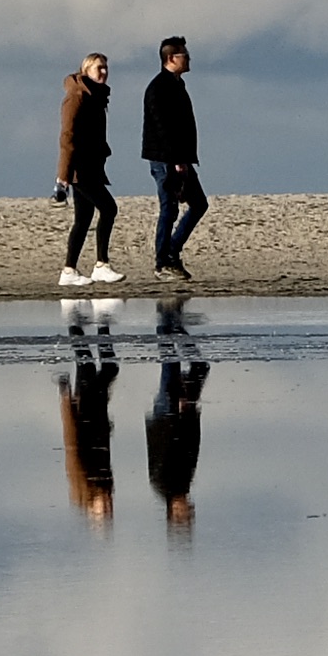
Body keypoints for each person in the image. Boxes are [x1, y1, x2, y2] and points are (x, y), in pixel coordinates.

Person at [143, 34, 210, 284]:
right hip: (165, 159)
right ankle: (162, 262)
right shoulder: (159, 87)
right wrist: (176, 161)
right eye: (185, 54)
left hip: (180, 158)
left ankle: (172, 251)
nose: (189, 58)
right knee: (169, 208)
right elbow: (162, 128)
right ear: (171, 58)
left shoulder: (176, 84)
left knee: (198, 204)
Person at [53, 52, 119, 290]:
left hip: (92, 166)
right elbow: (67, 137)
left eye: (105, 68)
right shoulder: (77, 96)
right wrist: (63, 176)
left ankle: (69, 270)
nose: (103, 72)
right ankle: (101, 264)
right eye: (98, 68)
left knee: (83, 219)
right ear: (86, 70)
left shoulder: (97, 97)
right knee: (109, 209)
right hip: (80, 168)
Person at [56, 327, 119, 523]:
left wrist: (66, 400)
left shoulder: (81, 480)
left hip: (84, 411)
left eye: (104, 509)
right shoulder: (104, 484)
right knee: (93, 367)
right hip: (97, 414)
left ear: (92, 507)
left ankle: (77, 323)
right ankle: (91, 325)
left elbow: (71, 440)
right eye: (109, 509)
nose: (108, 504)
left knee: (97, 367)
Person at [146, 332, 206, 535]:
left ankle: (167, 324)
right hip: (178, 415)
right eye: (188, 512)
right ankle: (173, 327)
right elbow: (192, 446)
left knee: (171, 367)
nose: (187, 507)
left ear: (171, 511)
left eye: (182, 512)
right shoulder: (182, 484)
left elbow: (166, 445)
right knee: (196, 367)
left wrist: (178, 415)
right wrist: (190, 415)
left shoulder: (165, 483)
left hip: (167, 416)